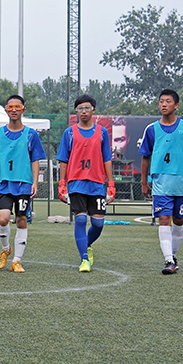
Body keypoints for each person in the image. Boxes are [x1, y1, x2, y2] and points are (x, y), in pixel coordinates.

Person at [139, 89, 183, 274]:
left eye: (168, 101)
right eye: (161, 101)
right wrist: (144, 181)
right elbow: (145, 157)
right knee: (164, 219)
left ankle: (173, 256)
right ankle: (168, 261)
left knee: (179, 219)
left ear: (176, 105)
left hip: (180, 182)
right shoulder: (151, 129)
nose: (163, 104)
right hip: (160, 183)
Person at [0, 95, 46, 273]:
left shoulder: (31, 134)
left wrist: (35, 182)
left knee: (21, 219)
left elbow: (35, 160)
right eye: (10, 107)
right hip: (3, 183)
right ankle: (5, 249)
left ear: (23, 110)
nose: (13, 110)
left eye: (17, 107)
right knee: (3, 218)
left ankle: (17, 260)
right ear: (6, 109)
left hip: (23, 184)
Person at [56, 95, 116, 273]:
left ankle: (87, 244)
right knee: (80, 219)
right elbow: (63, 160)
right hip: (76, 182)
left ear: (93, 110)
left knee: (98, 224)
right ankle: (84, 259)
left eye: (87, 108)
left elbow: (107, 158)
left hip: (97, 183)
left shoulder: (102, 132)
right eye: (80, 108)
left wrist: (110, 183)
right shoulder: (69, 133)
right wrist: (62, 183)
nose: (83, 111)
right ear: (76, 111)